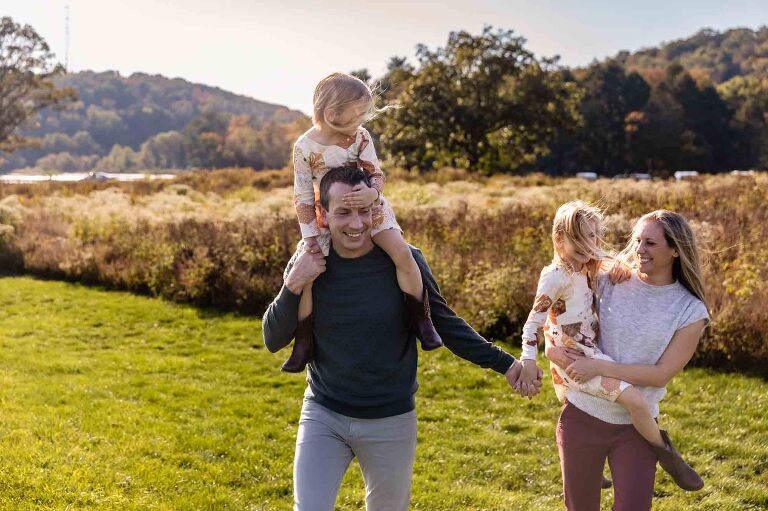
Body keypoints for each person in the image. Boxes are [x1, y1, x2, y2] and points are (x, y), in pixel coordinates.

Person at [262, 166, 542, 511]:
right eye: (344, 212)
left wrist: (507, 364)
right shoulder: (309, 259)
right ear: (322, 213)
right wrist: (293, 284)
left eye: (364, 211)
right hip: (324, 413)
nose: (356, 224)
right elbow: (273, 339)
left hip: (390, 420)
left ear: (376, 210)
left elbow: (445, 323)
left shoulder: (404, 261)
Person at [515, 202, 701, 493]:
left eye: (650, 242)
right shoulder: (557, 275)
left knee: (627, 401)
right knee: (634, 401)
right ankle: (667, 457)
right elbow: (535, 321)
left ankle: (643, 461)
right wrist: (535, 356)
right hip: (582, 362)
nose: (639, 249)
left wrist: (619, 265)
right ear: (559, 238)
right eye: (638, 241)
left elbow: (604, 257)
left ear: (676, 249)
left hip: (587, 358)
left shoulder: (688, 309)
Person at [281, 72, 440, 373]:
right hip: (327, 217)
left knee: (403, 254)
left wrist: (372, 193)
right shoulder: (304, 148)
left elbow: (375, 172)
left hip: (369, 207)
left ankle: (422, 319)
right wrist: (311, 236)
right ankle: (303, 343)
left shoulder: (361, 136)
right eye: (355, 115)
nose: (360, 121)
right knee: (309, 277)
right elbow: (302, 195)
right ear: (331, 114)